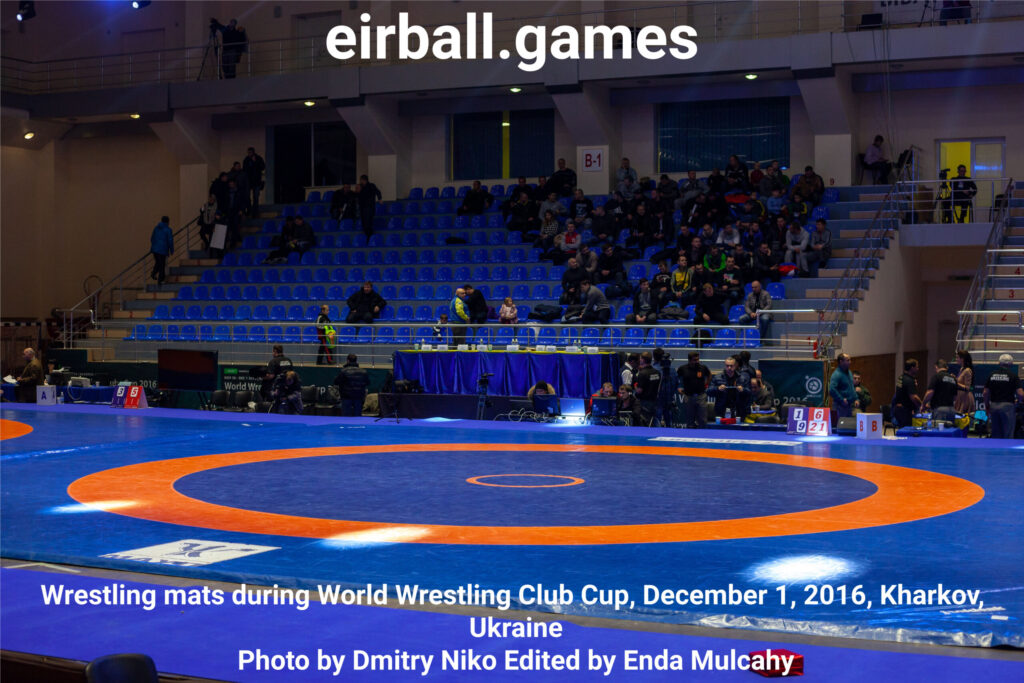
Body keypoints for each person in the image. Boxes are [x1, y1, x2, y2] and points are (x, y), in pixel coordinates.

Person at [983, 354, 1023, 439]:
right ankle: (1007, 451)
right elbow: (1020, 394)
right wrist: (1019, 402)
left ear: (999, 363)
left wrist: (987, 406)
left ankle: (995, 451)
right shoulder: (1013, 376)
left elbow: (985, 393)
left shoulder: (992, 375)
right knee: (1007, 435)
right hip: (1007, 407)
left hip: (994, 406)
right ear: (1011, 364)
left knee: (995, 434)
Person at [676, 351, 711, 428]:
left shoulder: (703, 368)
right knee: (689, 420)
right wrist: (679, 386)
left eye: (698, 359)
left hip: (701, 396)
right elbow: (677, 378)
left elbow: (709, 375)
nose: (697, 361)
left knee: (702, 420)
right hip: (688, 397)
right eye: (695, 360)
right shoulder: (682, 368)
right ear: (689, 360)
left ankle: (703, 435)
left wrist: (706, 384)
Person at [632, 351, 662, 427]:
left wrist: (635, 386)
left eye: (640, 359)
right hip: (655, 400)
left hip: (644, 402)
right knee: (655, 420)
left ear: (642, 360)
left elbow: (639, 390)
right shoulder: (657, 372)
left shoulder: (642, 373)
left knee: (645, 421)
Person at [892, 359, 923, 428]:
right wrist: (922, 405)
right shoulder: (909, 380)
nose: (918, 369)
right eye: (917, 367)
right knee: (907, 431)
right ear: (912, 368)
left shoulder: (901, 377)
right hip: (904, 411)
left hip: (898, 409)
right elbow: (914, 397)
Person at [828, 353, 859, 419]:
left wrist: (856, 399)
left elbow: (851, 387)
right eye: (847, 360)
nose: (850, 362)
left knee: (848, 427)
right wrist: (841, 399)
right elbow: (831, 389)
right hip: (840, 406)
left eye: (850, 360)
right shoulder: (837, 374)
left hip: (849, 406)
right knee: (840, 427)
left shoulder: (849, 373)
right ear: (841, 361)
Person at [149, 216, 173, 285]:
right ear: (168, 222)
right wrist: (171, 250)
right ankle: (160, 279)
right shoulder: (168, 230)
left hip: (155, 250)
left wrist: (154, 246)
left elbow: (152, 238)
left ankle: (153, 273)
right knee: (162, 264)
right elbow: (170, 241)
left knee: (158, 263)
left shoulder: (156, 228)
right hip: (163, 250)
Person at [357, 174, 382, 238]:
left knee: (368, 223)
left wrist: (380, 198)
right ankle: (367, 236)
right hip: (362, 207)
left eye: (361, 180)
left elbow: (377, 192)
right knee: (364, 223)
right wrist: (358, 191)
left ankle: (369, 237)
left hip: (369, 207)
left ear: (364, 180)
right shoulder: (360, 187)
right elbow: (357, 196)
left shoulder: (371, 186)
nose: (361, 182)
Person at [243, 147, 266, 216]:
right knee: (247, 196)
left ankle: (255, 211)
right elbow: (245, 169)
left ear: (253, 152)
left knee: (256, 197)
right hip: (249, 181)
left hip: (257, 181)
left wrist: (255, 162)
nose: (249, 154)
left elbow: (263, 167)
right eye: (248, 152)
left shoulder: (258, 158)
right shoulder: (246, 160)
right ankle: (249, 209)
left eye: (250, 152)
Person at [954, 349, 975, 415]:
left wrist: (955, 382)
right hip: (960, 397)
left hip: (965, 399)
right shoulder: (961, 369)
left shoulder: (967, 371)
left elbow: (967, 388)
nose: (956, 359)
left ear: (962, 359)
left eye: (957, 357)